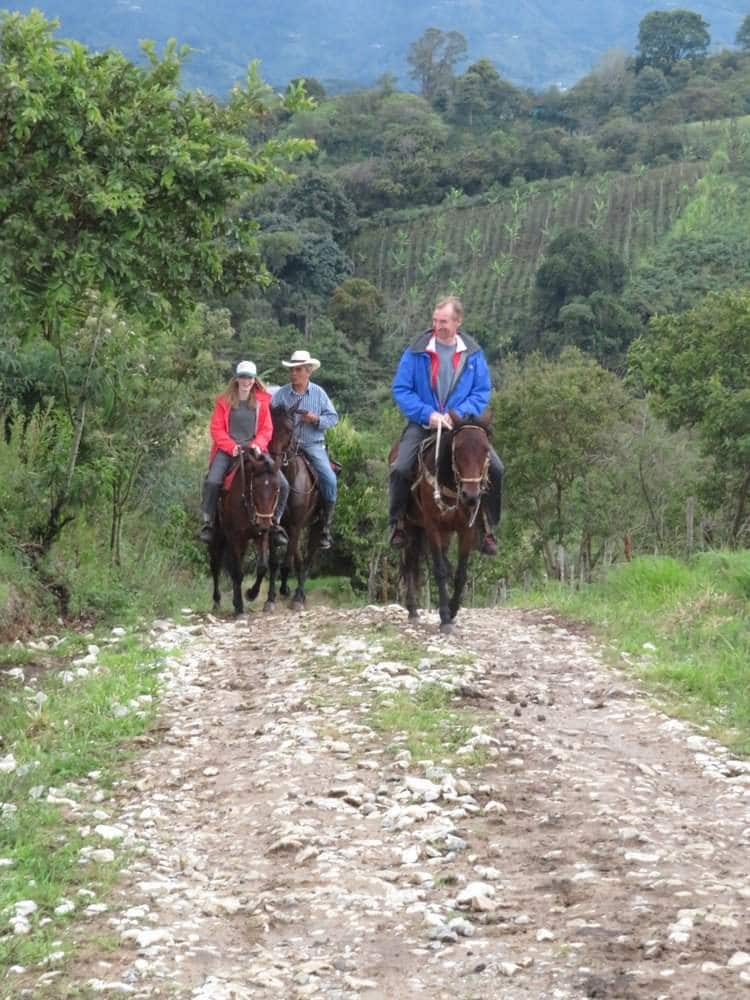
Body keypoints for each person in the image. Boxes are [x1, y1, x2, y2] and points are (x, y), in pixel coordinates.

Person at [389, 295, 504, 556]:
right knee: (400, 467)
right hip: (424, 423)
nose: (438, 325)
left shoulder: (474, 354)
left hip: (462, 425)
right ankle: (397, 524)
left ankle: (486, 529)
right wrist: (427, 413)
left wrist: (458, 414)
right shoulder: (415, 351)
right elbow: (401, 389)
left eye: (443, 321)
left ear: (457, 321)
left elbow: (482, 390)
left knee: (496, 469)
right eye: (435, 320)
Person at [199, 360, 289, 544]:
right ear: (237, 379)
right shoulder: (224, 401)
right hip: (228, 450)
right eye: (243, 377)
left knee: (284, 484)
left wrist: (257, 444)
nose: (246, 381)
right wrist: (231, 446)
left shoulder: (263, 401)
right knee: (212, 481)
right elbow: (216, 429)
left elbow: (267, 429)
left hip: (256, 450)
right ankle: (208, 522)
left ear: (254, 379)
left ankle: (275, 522)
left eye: (249, 377)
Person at [272, 349, 339, 549]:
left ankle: (325, 526)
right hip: (284, 448)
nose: (294, 373)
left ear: (308, 371)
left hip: (312, 445)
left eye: (298, 369)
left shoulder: (319, 393)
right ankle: (268, 521)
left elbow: (333, 418)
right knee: (265, 474)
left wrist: (316, 419)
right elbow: (271, 420)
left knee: (329, 478)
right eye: (292, 369)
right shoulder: (280, 395)